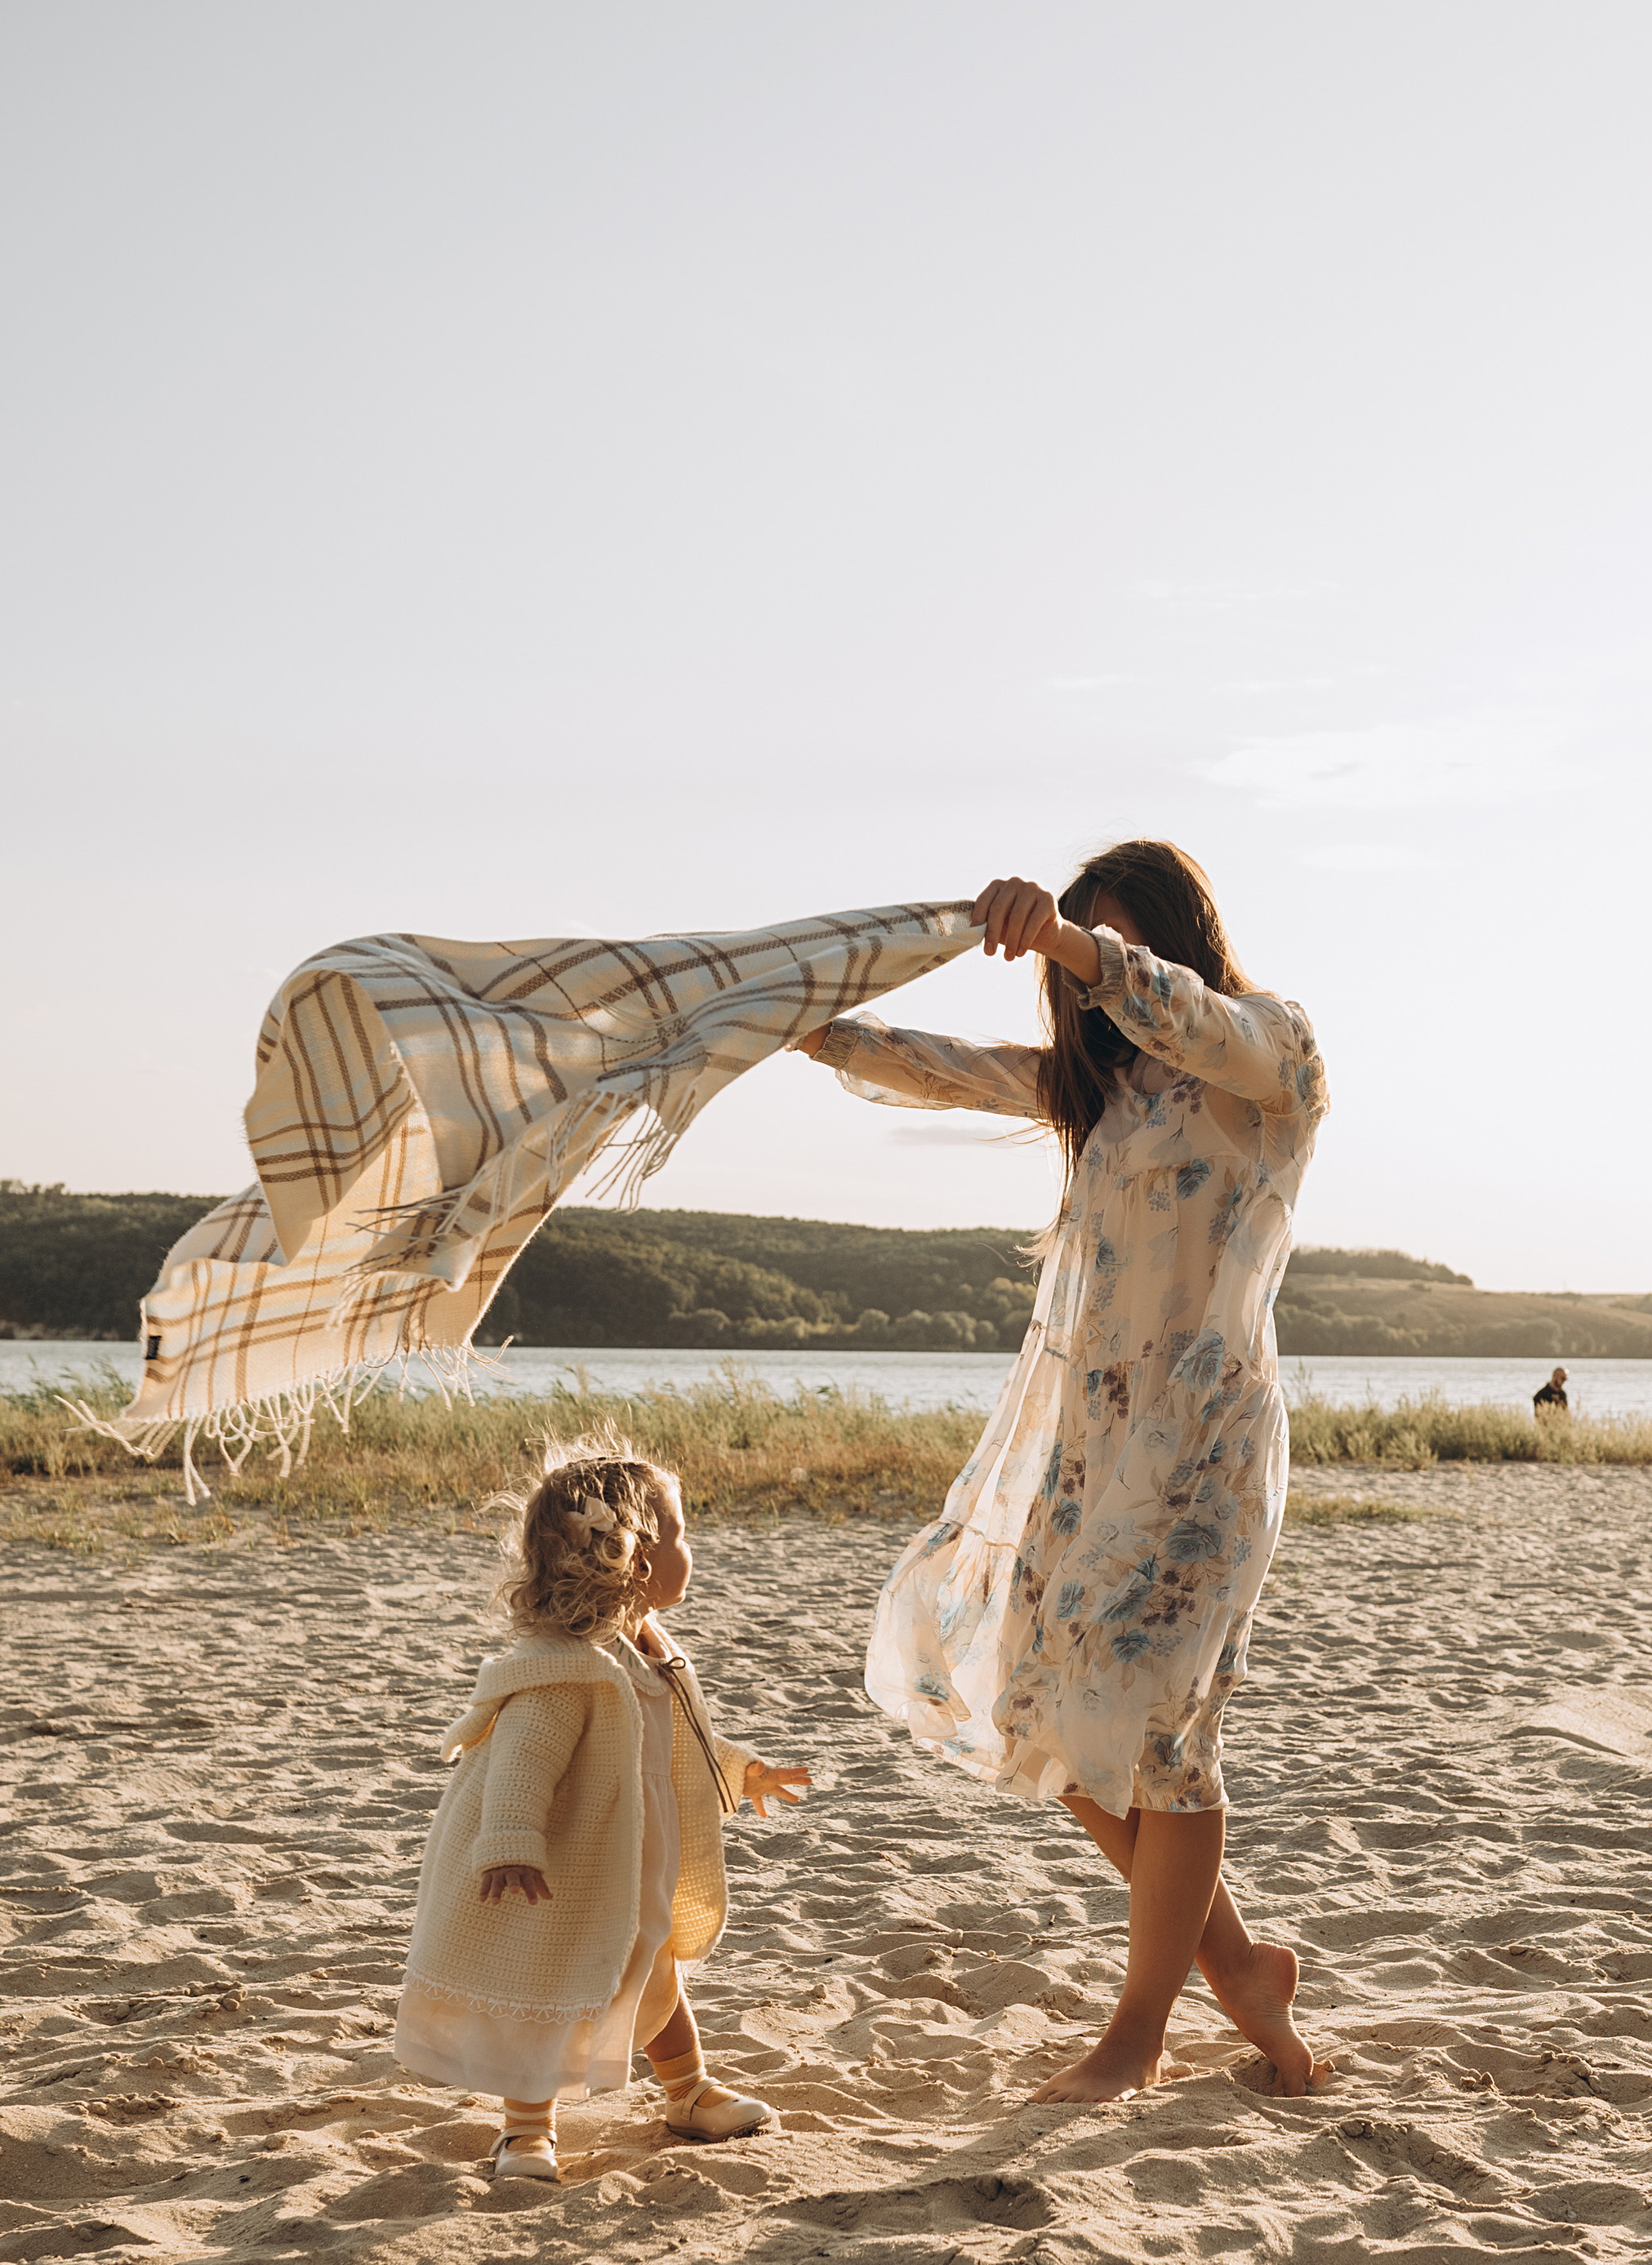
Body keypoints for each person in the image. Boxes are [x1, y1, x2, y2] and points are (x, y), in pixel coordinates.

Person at [796, 843, 1328, 2106]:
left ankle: (1138, 2035)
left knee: (1163, 1728)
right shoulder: (1104, 1086)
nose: (1097, 985)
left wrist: (1069, 943)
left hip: (1206, 1443)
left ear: (1181, 937)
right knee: (1046, 1709)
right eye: (1085, 964)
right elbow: (941, 1069)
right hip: (1095, 1443)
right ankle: (1239, 1968)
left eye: (1121, 949)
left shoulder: (1271, 1052)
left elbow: (1183, 1013)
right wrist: (801, 1027)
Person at [394, 1440, 808, 2181]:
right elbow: (522, 1758)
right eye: (679, 1535)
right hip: (569, 1860)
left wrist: (743, 1771)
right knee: (550, 1984)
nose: (690, 1550)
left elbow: (679, 1741)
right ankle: (526, 2130)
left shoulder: (649, 1650)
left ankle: (688, 2091)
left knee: (655, 1968)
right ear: (634, 1557)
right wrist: (511, 1839)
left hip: (634, 1850)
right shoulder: (568, 1667)